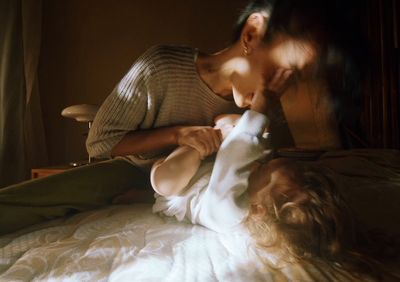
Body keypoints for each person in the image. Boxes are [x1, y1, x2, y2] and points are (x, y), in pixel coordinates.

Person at [0, 0, 356, 235]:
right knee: (35, 200)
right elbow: (101, 141)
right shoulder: (162, 66)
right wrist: (179, 134)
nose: (283, 87)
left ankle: (151, 203)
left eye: (296, 77)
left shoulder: (260, 105)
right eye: (284, 69)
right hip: (132, 166)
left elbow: (245, 172)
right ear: (252, 34)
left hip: (193, 185)